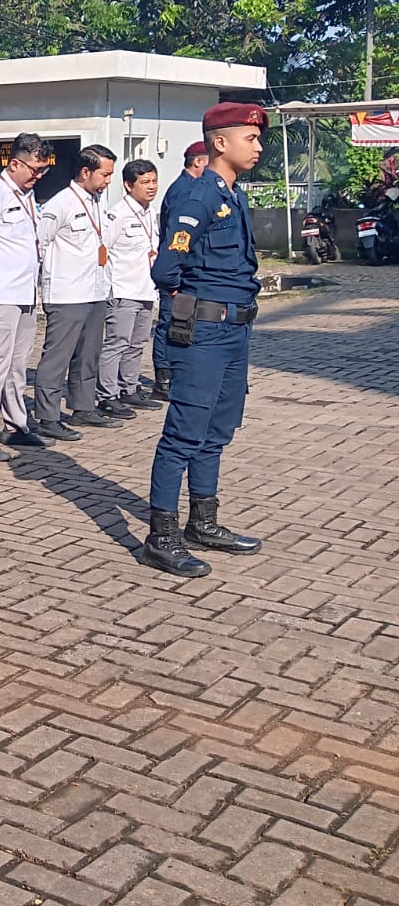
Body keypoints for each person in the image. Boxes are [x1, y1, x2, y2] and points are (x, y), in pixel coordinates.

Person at [142, 102, 268, 577]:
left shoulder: (233, 195)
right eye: (249, 138)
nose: (258, 146)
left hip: (236, 330)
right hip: (204, 332)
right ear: (220, 142)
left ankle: (203, 522)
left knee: (217, 432)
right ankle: (161, 537)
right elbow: (166, 270)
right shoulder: (197, 197)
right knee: (183, 434)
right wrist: (193, 304)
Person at [0, 135, 56, 460]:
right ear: (15, 163)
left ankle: (16, 424)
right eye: (34, 169)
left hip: (26, 292)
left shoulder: (28, 196)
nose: (38, 176)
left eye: (43, 171)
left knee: (17, 365)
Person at [33, 144, 120, 441]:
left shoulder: (98, 202)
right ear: (85, 172)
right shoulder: (60, 204)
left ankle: (83, 406)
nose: (108, 181)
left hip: (95, 289)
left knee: (88, 353)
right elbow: (40, 244)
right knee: (58, 356)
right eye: (104, 174)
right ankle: (47, 416)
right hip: (67, 293)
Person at [100, 159, 162, 414]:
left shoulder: (150, 213)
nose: (151, 187)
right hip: (123, 290)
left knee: (137, 343)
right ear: (128, 185)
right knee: (117, 343)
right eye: (145, 182)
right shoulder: (118, 214)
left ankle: (130, 388)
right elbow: (102, 250)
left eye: (154, 181)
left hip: (146, 288)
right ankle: (107, 394)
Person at [151, 142, 210, 401]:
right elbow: (178, 236)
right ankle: (163, 379)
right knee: (169, 322)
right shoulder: (185, 190)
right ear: (198, 162)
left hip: (187, 268)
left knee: (182, 322)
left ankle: (176, 374)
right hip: (177, 267)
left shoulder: (195, 188)